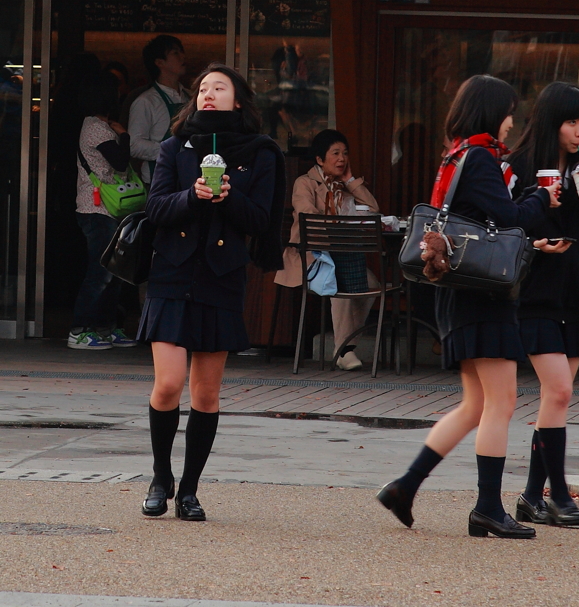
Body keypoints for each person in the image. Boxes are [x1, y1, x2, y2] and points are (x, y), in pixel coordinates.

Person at [377, 75, 562, 539]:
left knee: (475, 405)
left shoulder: (457, 154)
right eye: (508, 113)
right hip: (480, 297)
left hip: (457, 295)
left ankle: (405, 486)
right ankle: (486, 508)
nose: (511, 123)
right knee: (501, 401)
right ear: (490, 112)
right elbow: (511, 219)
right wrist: (542, 197)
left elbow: (489, 220)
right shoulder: (478, 158)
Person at [139, 64, 285, 522]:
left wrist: (228, 200)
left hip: (221, 277)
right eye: (202, 88)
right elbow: (156, 207)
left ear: (237, 100)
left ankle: (189, 490)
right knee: (167, 385)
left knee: (205, 394)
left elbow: (263, 220)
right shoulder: (173, 146)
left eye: (218, 88)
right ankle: (160, 477)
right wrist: (193, 196)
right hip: (172, 274)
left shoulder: (260, 153)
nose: (207, 94)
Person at [506, 82, 579, 528]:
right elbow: (504, 226)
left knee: (555, 402)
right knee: (559, 391)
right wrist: (538, 225)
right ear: (551, 121)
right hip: (531, 290)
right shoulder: (519, 166)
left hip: (576, 290)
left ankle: (534, 497)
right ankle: (559, 495)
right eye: (572, 122)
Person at [275, 129, 379, 370]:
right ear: (320, 159)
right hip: (312, 255)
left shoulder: (344, 186)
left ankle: (345, 346)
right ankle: (345, 350)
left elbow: (373, 207)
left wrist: (351, 180)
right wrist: (337, 225)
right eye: (335, 153)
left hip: (341, 254)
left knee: (372, 286)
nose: (342, 159)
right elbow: (306, 216)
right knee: (338, 279)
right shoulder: (306, 182)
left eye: (345, 153)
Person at [68, 73, 139, 351]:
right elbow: (120, 162)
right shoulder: (96, 128)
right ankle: (80, 330)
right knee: (100, 273)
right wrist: (124, 135)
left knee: (113, 273)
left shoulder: (95, 125)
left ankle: (105, 328)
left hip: (106, 210)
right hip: (96, 209)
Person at [128, 35, 188, 185]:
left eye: (182, 51)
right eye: (175, 53)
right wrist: (172, 151)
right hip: (159, 182)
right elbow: (134, 145)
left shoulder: (191, 97)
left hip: (188, 180)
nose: (183, 56)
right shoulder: (146, 102)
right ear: (159, 62)